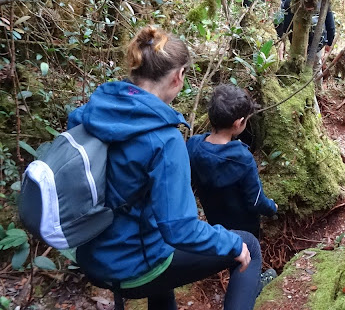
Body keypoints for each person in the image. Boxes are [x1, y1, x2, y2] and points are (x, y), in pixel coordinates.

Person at [68, 26, 262, 310]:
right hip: (131, 265)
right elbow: (180, 230)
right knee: (248, 246)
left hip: (89, 251)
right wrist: (231, 245)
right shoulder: (164, 138)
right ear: (177, 76)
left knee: (163, 258)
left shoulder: (93, 112)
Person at [187, 84, 278, 240]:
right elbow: (256, 201)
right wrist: (272, 207)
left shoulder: (193, 145)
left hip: (216, 224)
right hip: (246, 230)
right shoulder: (242, 159)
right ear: (238, 123)